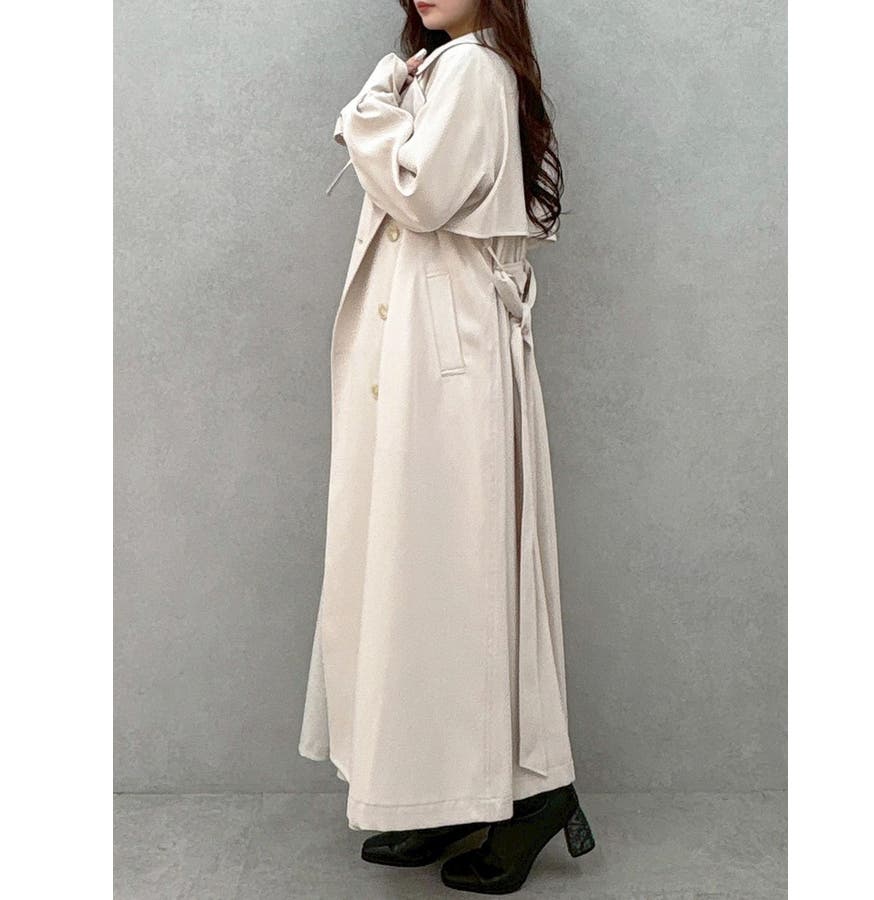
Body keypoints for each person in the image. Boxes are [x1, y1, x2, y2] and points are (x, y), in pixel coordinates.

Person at [298, 1, 595, 892]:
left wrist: (370, 107)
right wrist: (392, 93)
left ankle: (531, 790)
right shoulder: (446, 65)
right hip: (434, 343)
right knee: (430, 572)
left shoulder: (470, 67)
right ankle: (447, 790)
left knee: (450, 568)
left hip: (447, 350)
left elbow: (421, 196)